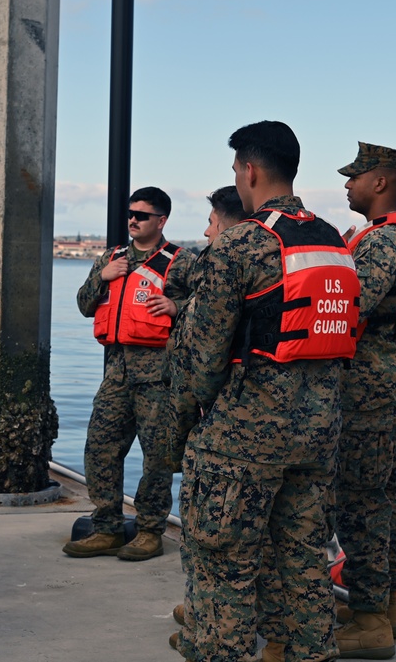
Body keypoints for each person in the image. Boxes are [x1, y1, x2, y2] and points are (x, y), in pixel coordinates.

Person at [174, 121, 360, 661]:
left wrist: (193, 407)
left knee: (223, 571)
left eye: (236, 168)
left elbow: (202, 357)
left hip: (243, 440)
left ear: (249, 170)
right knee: (303, 567)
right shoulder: (335, 242)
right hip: (318, 434)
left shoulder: (242, 244)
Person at [64, 186, 194, 561]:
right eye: (130, 214)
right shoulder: (112, 258)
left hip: (158, 376)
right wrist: (102, 276)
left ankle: (150, 530)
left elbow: (208, 307)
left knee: (157, 457)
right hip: (116, 373)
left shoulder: (182, 262)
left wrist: (176, 305)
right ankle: (106, 526)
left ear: (161, 220)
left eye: (142, 215)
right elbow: (85, 305)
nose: (133, 220)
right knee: (100, 447)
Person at [331, 142, 396, 657]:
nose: (348, 184)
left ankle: (369, 622)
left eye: (355, 177)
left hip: (368, 387)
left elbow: (349, 303)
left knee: (360, 500)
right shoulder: (386, 236)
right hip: (387, 383)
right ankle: (384, 606)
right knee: (383, 496)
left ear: (381, 182)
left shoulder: (384, 241)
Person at [166, 186, 247, 650]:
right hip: (295, 425)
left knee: (212, 537)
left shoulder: (230, 261)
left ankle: (212, 636)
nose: (205, 231)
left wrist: (188, 412)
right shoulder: (293, 252)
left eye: (211, 223)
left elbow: (202, 357)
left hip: (224, 422)